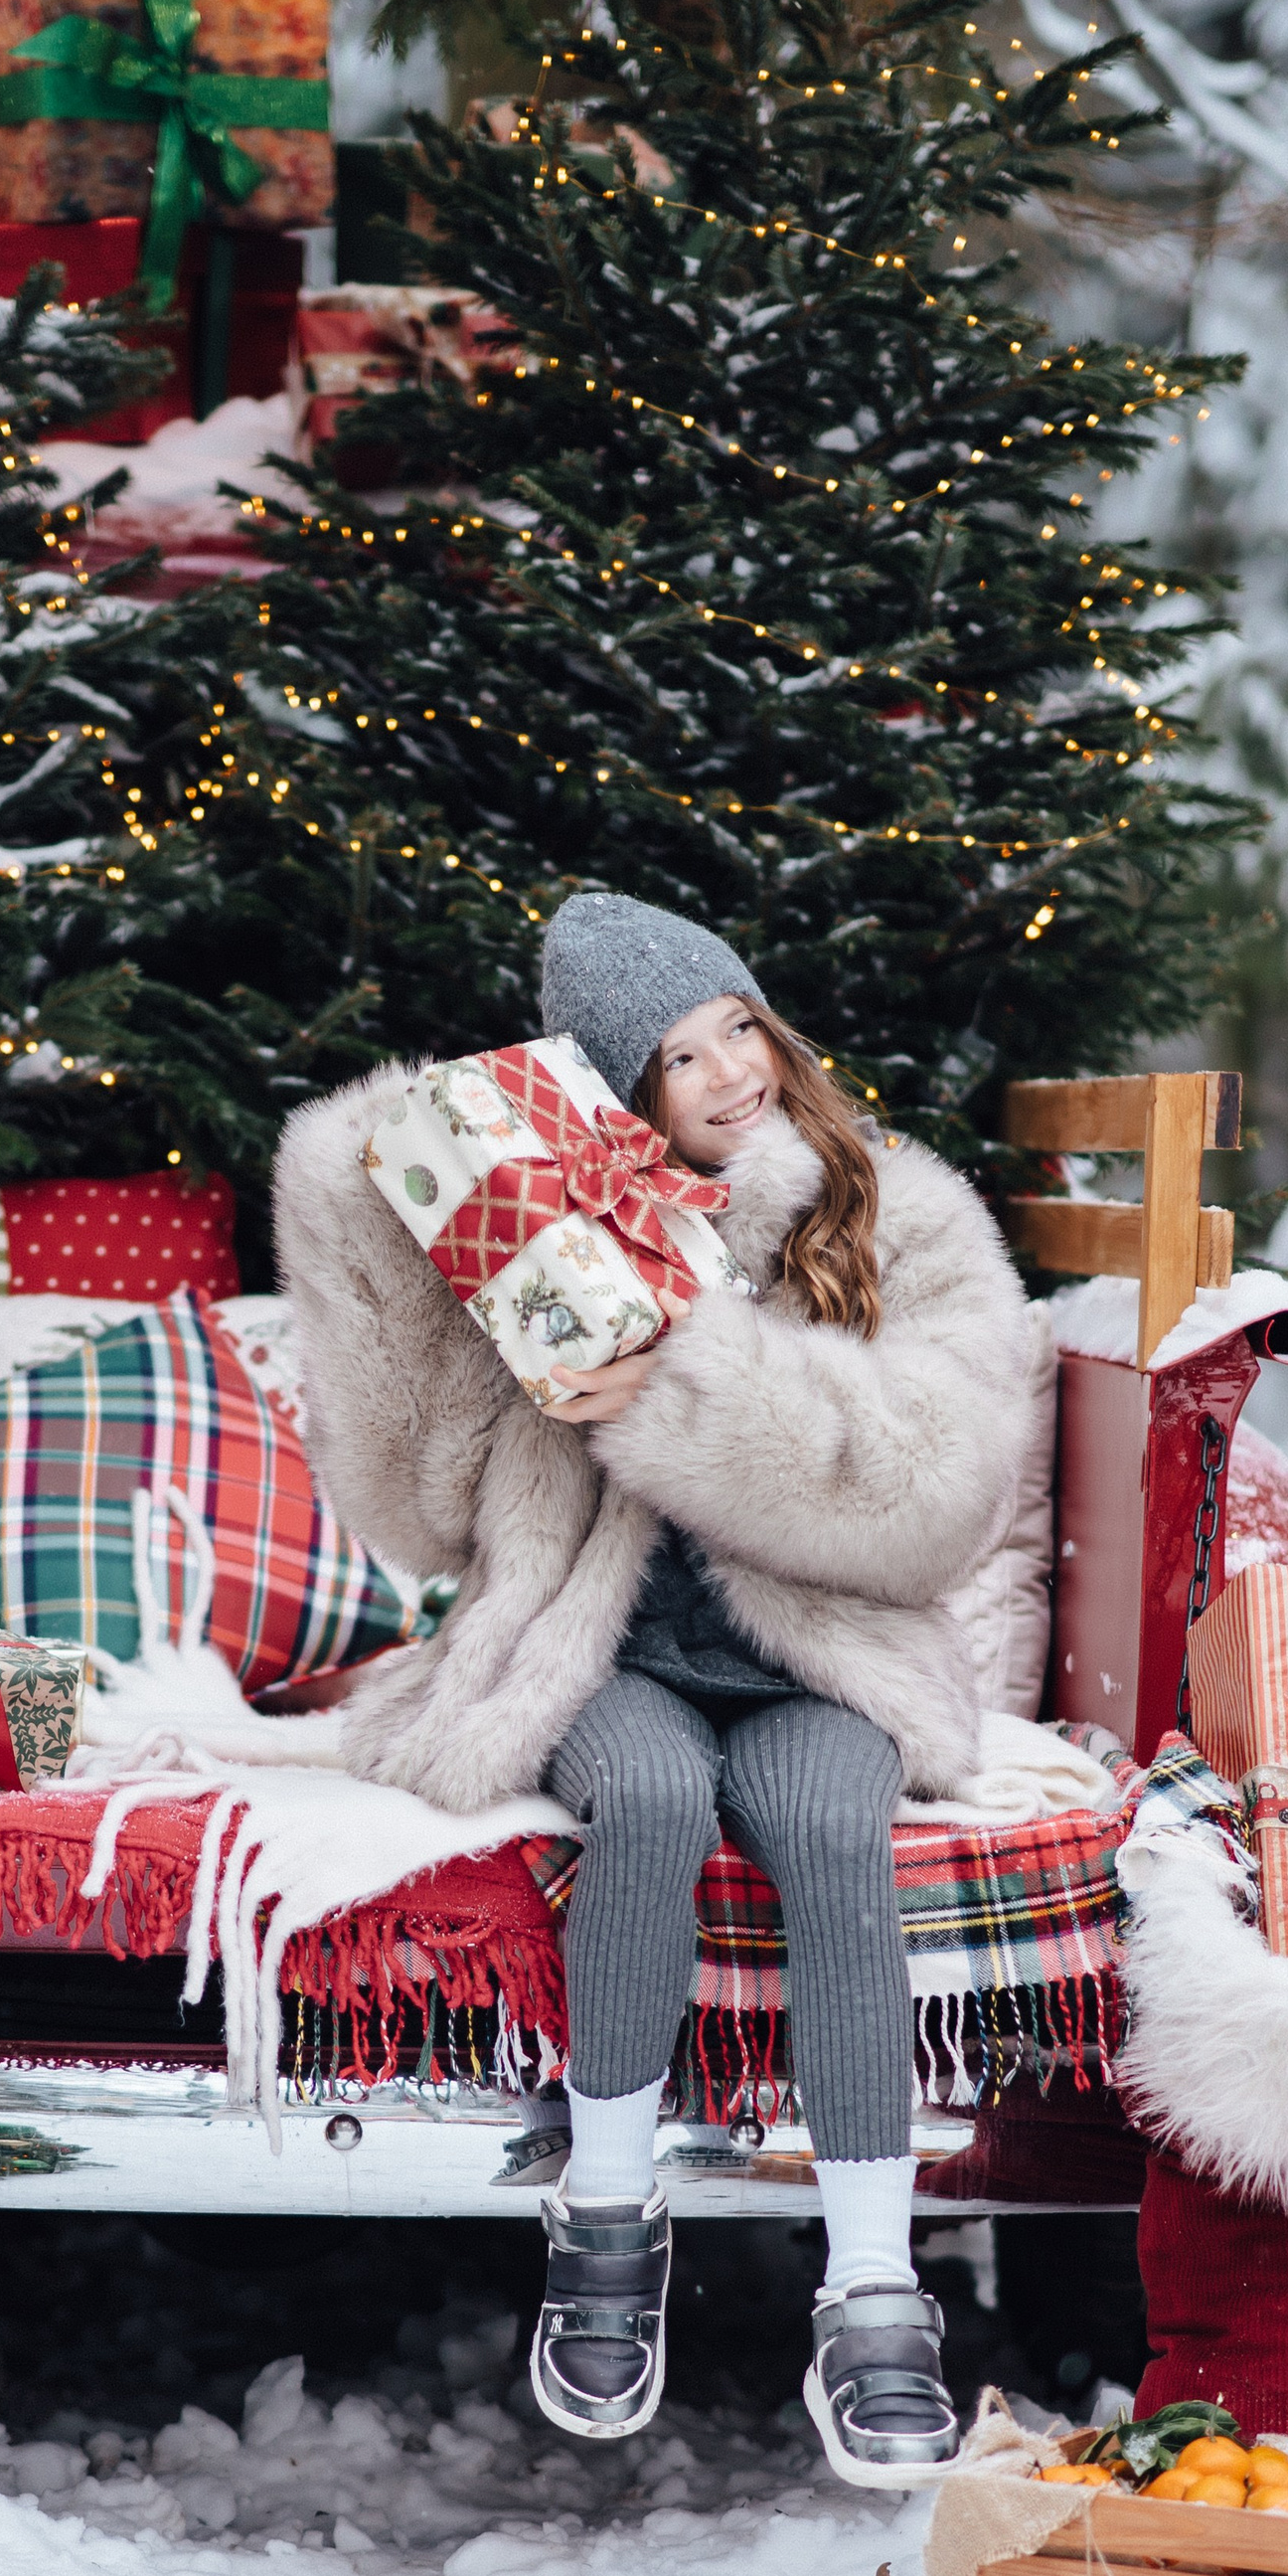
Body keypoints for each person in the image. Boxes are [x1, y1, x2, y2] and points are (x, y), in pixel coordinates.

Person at [273, 893, 1033, 2476]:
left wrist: (688, 1384)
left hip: (825, 1650)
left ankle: (876, 2293)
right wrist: (388, 1220)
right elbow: (421, 1504)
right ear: (625, 1094)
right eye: (675, 1058)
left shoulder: (905, 1216)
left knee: (832, 1834)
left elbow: (939, 1493)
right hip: (595, 1645)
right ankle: (605, 2221)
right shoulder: (560, 1229)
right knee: (658, 1801)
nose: (725, 1075)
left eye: (735, 1027)